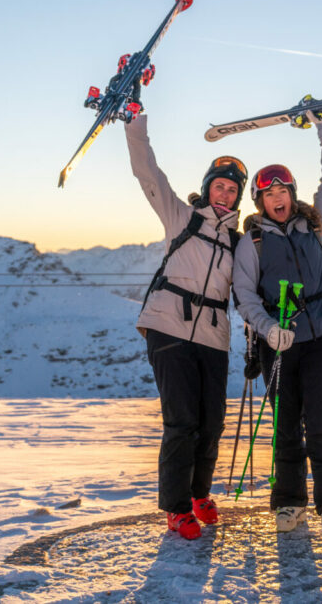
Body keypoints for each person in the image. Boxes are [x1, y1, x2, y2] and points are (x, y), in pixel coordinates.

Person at [125, 109, 247, 541]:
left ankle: (199, 495)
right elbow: (147, 172)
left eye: (233, 190)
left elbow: (251, 289)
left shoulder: (239, 243)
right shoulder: (182, 217)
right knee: (181, 422)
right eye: (220, 185)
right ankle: (176, 509)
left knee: (211, 422)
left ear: (238, 198)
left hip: (214, 335)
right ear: (207, 187)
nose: (225, 194)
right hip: (167, 326)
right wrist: (135, 124)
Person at [232, 119, 322, 537]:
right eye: (269, 194)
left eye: (283, 191)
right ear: (260, 201)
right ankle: (289, 502)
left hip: (320, 337)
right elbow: (244, 295)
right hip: (277, 342)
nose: (277, 198)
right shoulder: (253, 243)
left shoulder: (314, 227)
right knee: (285, 425)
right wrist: (266, 329)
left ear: (293, 195)